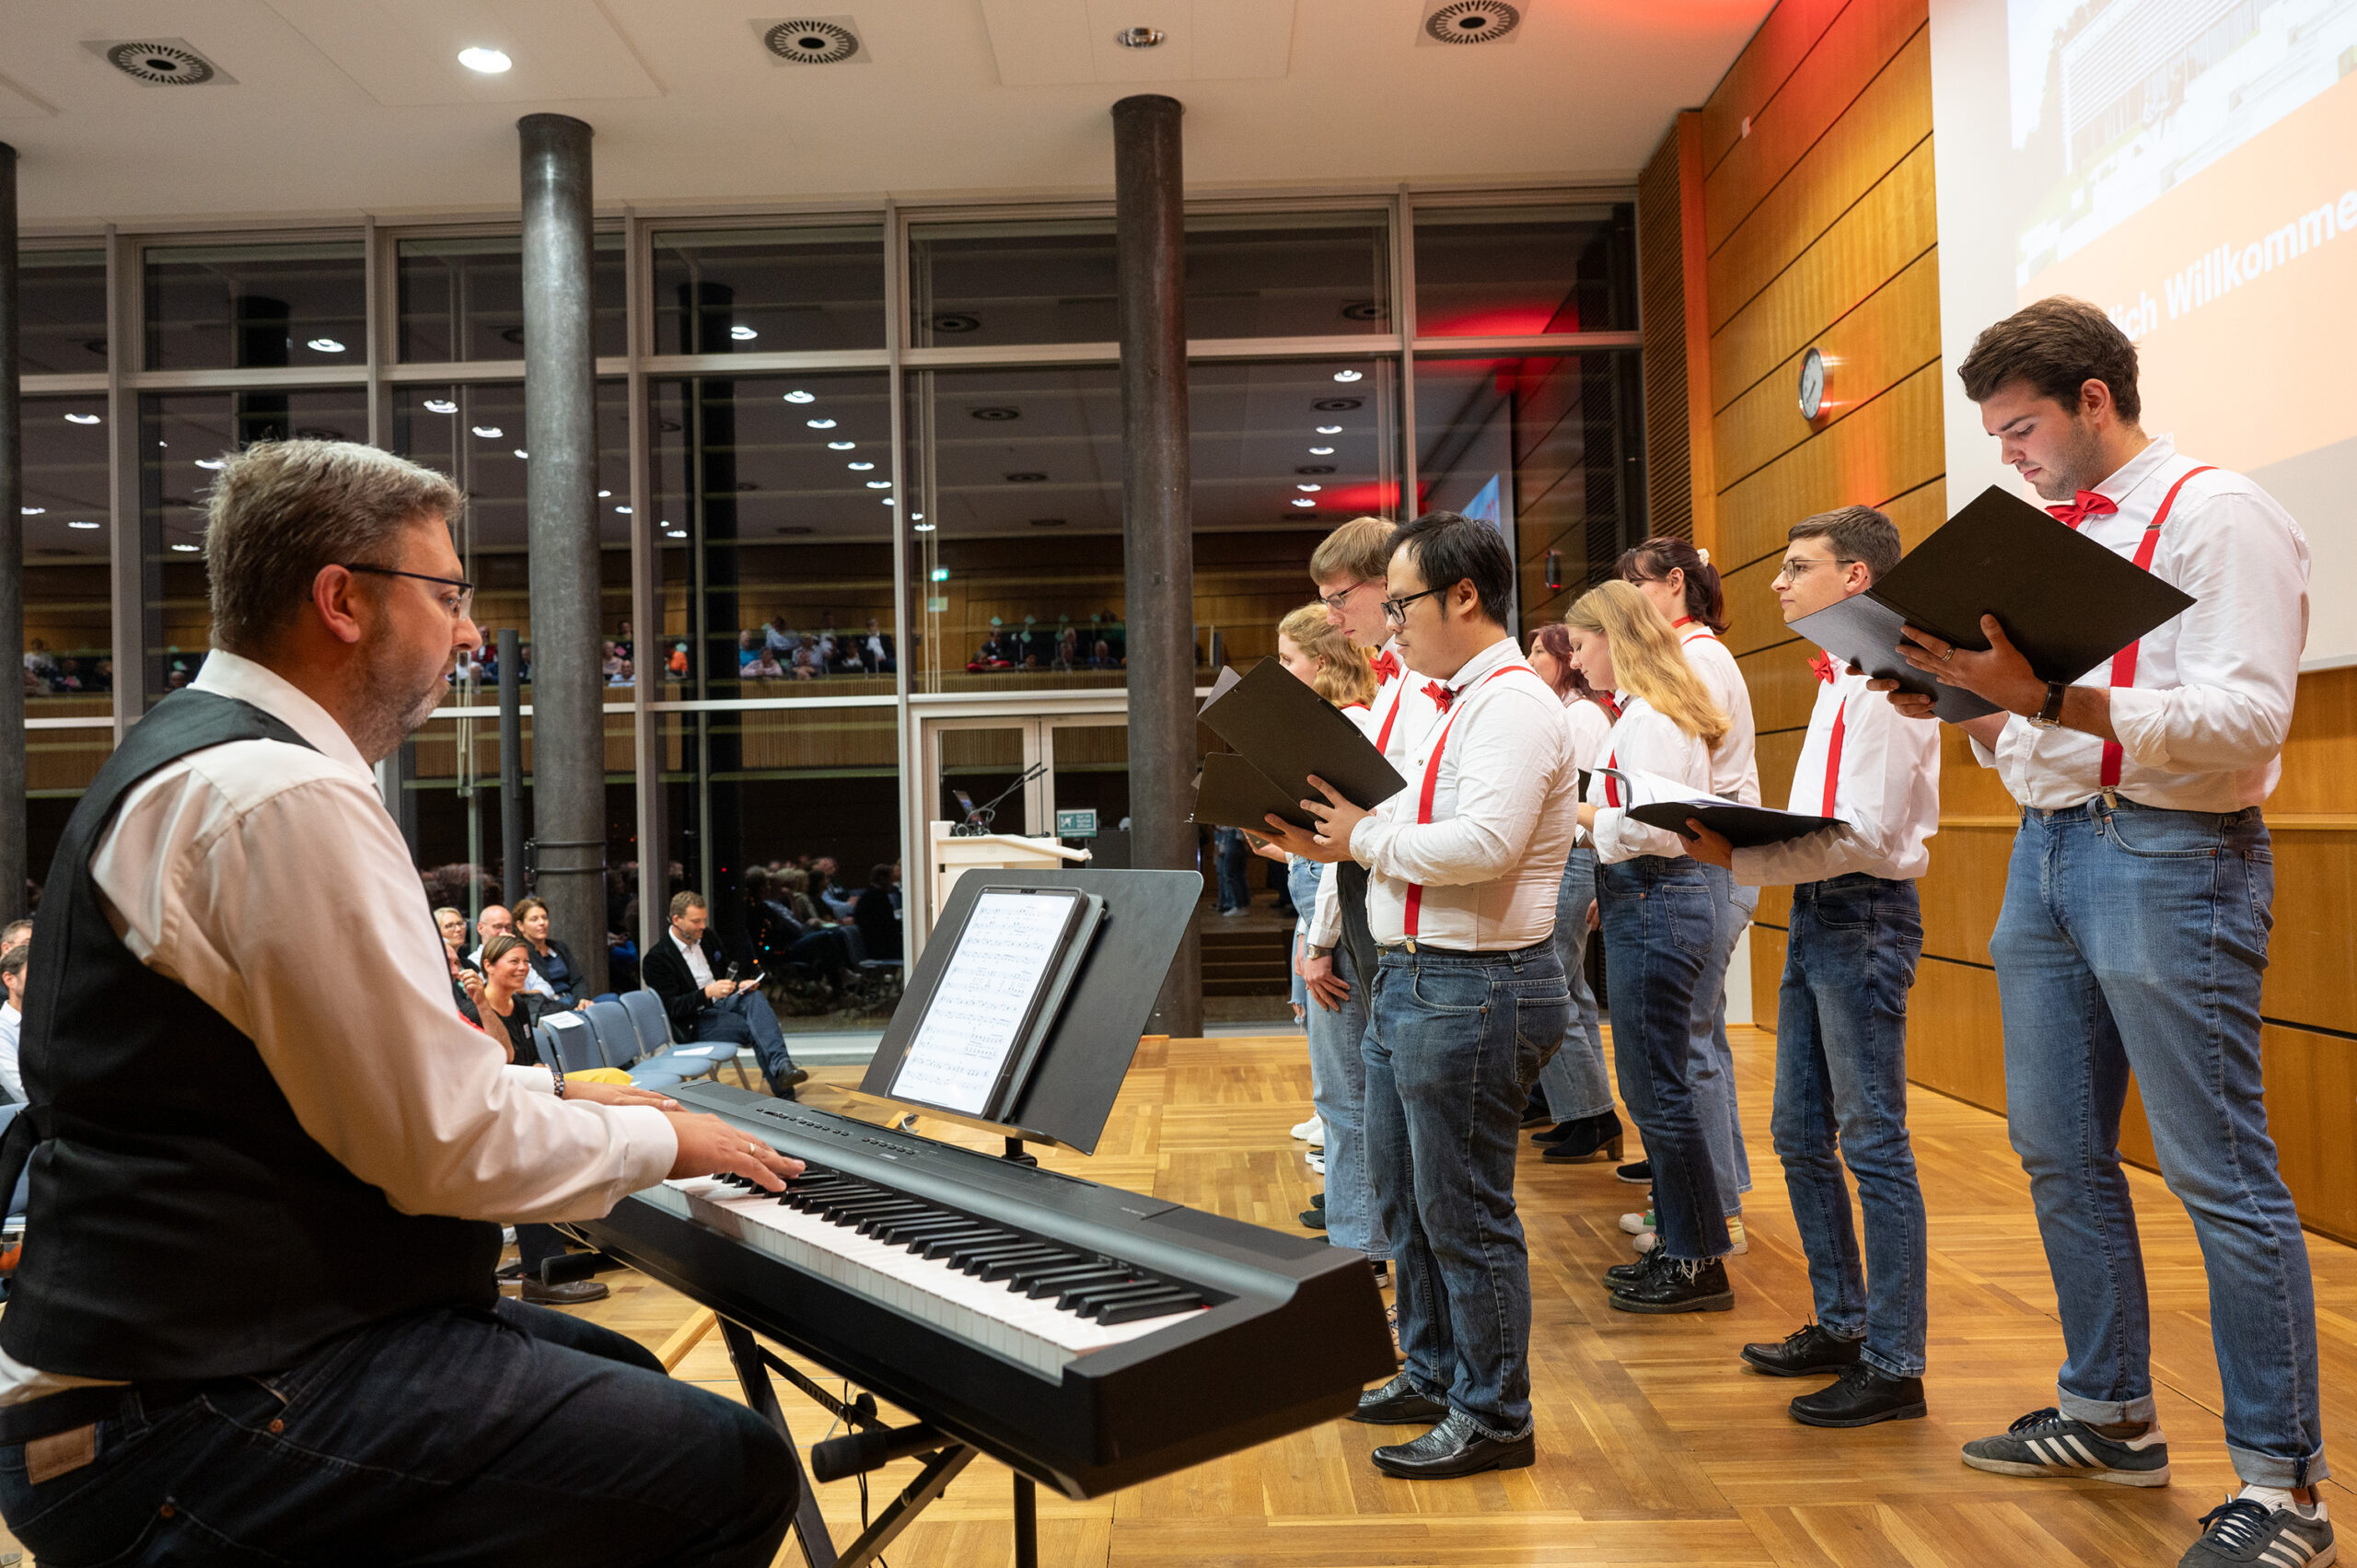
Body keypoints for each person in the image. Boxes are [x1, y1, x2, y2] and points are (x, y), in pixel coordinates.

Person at [0, 438, 801, 1565]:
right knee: (722, 1468)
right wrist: (657, 1139)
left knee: (620, 1378)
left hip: (181, 1369)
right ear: (341, 600)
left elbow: (343, 1086)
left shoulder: (205, 759)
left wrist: (578, 1095)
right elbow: (442, 1143)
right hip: (177, 1414)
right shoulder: (276, 793)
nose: (469, 632)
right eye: (449, 593)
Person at [1875, 297, 2327, 1568]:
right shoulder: (2052, 535)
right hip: (2056, 849)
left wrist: (2052, 692)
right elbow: (2033, 744)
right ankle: (2111, 1407)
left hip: (2175, 854)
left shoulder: (2217, 512)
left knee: (2217, 1174)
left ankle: (2286, 1486)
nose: (2009, 452)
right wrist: (1964, 698)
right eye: (1995, 434)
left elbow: (2245, 719)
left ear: (2093, 399)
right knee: (2059, 1148)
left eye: (2022, 427)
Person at [1263, 512, 1573, 1481]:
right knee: (1407, 1202)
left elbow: (1482, 846)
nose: (1388, 624)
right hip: (1415, 977)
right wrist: (1337, 834)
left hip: (1476, 984)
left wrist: (1354, 839)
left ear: (1463, 596)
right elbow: (1399, 818)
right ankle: (1435, 1370)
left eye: (1400, 603)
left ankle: (1493, 1413)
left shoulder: (1514, 703)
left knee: (1465, 1213)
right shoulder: (1446, 699)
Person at [1681, 505, 1940, 1428]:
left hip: (1863, 911)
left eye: (1797, 567)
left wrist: (1737, 856)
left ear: (1856, 579)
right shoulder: (1839, 679)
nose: (1777, 583)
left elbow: (1865, 837)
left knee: (1872, 1140)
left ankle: (1896, 1360)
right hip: (1823, 909)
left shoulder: (1887, 681)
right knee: (1798, 1131)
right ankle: (1843, 1319)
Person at [1564, 580, 1736, 1314]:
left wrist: (1577, 810)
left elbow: (1662, 827)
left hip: (1659, 893)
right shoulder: (1642, 712)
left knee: (1658, 1088)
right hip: (1650, 895)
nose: (1575, 661)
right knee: (1652, 1084)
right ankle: (1681, 1242)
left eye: (1579, 644)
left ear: (1613, 637)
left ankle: (1697, 1260)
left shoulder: (1653, 717)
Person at [1618, 535, 1757, 1249]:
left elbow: (1679, 783)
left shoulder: (1696, 656)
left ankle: (1712, 1213)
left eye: (1633, 587)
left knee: (1688, 1045)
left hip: (1700, 858)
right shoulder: (1692, 654)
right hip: (1705, 857)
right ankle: (1712, 1198)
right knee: (1698, 1041)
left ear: (1675, 583)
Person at [1299, 514, 1433, 1175]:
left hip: (1420, 921)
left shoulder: (1428, 687)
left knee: (1417, 1134)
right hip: (1383, 894)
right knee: (1386, 1110)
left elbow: (1411, 813)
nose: (1330, 617)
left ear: (1388, 585)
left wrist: (1350, 837)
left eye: (1337, 598)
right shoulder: (1396, 682)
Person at [1268, 602, 1380, 1246]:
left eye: (1289, 660)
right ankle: (1352, 1211)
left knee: (1347, 1091)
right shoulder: (1337, 721)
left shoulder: (1351, 722)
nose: (1283, 673)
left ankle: (1359, 1234)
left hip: (1334, 921)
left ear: (1325, 660)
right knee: (1341, 1088)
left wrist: (1319, 943)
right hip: (1322, 913)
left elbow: (1345, 861)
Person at [1522, 621, 1621, 1165]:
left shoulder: (1580, 713)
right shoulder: (1564, 710)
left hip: (1574, 857)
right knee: (1567, 991)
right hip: (1567, 857)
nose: (1531, 659)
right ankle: (1581, 1110)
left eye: (1543, 651)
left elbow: (1576, 799)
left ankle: (1590, 1114)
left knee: (1556, 991)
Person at [643, 890, 809, 1098]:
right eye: (696, 921)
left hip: (725, 1002)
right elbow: (672, 1008)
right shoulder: (657, 959)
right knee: (758, 1028)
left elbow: (726, 974)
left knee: (754, 997)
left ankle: (783, 1071)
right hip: (695, 1020)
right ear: (676, 920)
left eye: (704, 920)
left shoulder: (707, 937)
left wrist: (740, 984)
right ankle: (785, 1087)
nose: (702, 926)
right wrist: (707, 993)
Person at [513, 895, 584, 1007]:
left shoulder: (559, 947)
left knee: (611, 1000)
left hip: (573, 999)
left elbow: (578, 980)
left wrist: (583, 1000)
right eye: (534, 919)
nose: (542, 923)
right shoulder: (520, 953)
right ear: (520, 926)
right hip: (549, 1006)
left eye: (544, 917)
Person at [853, 863, 901, 962]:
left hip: (878, 941)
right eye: (890, 880)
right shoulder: (876, 897)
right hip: (880, 946)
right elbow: (885, 924)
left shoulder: (871, 894)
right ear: (882, 879)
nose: (892, 884)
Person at [0, 944, 25, 1105]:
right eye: (36, 972)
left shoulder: (52, 1021)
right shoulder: (2, 1027)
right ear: (10, 979)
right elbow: (21, 1090)